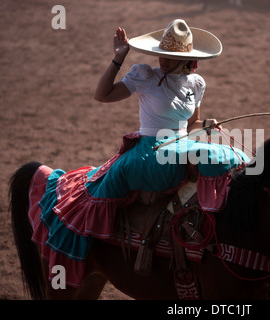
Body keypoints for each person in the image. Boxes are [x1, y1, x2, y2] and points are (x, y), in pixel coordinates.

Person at [35, 20, 250, 287]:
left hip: (181, 144)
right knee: (210, 159)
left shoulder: (196, 83)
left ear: (187, 60)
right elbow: (102, 95)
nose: (162, 60)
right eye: (161, 54)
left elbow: (190, 124)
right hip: (152, 147)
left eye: (169, 57)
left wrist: (205, 124)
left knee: (231, 156)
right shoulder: (144, 75)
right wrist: (118, 59)